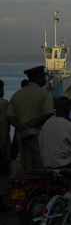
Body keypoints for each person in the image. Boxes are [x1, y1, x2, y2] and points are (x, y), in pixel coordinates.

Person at [7, 66, 54, 173]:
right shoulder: (44, 94)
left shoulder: (17, 95)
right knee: (41, 165)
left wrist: (20, 127)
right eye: (43, 77)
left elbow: (9, 116)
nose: (44, 80)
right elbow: (48, 113)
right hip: (39, 134)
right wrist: (30, 126)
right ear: (38, 78)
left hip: (22, 135)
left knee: (26, 166)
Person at [0, 80, 12, 212]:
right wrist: (2, 144)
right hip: (1, 143)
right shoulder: (3, 104)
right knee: (2, 171)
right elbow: (4, 124)